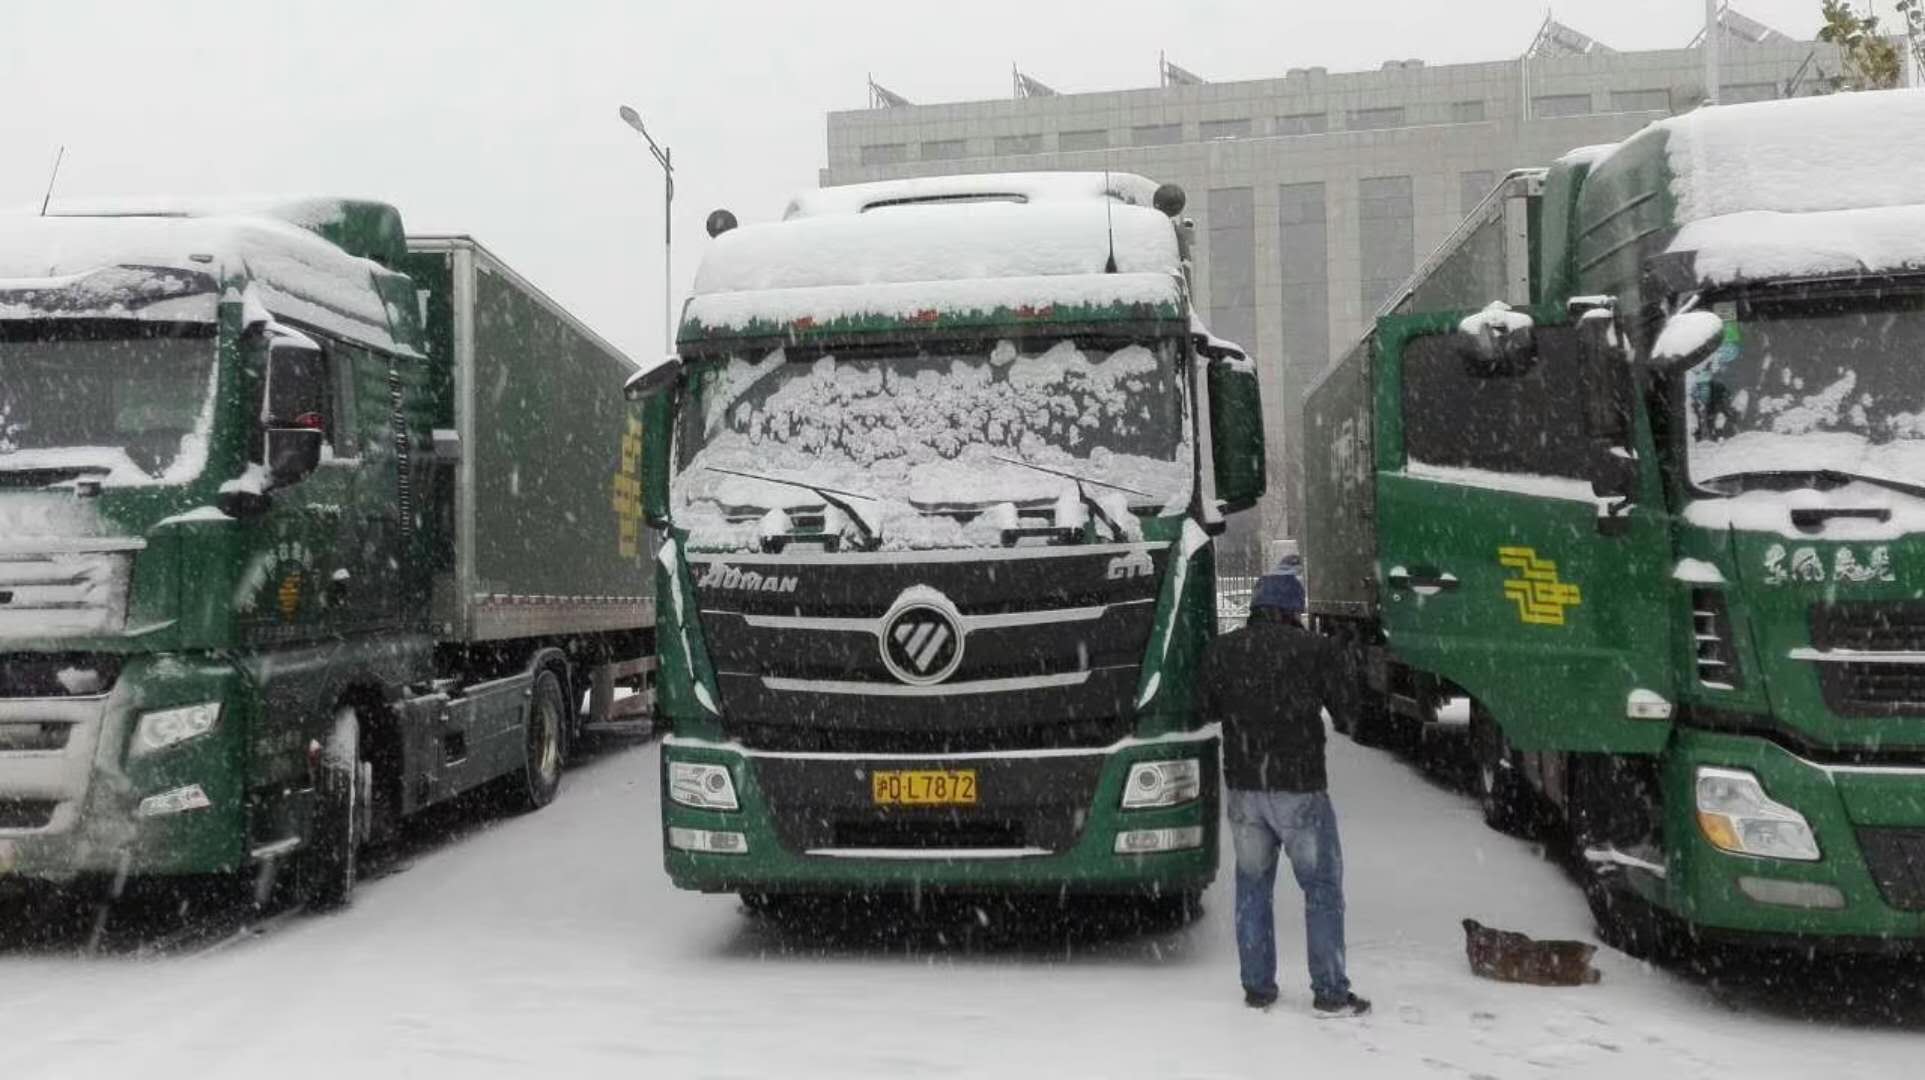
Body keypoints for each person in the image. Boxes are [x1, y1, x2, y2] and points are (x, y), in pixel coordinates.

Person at [1196, 563, 1370, 1017]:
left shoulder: (1222, 651)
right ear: (1294, 611)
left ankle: (1257, 987)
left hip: (1245, 789)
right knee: (1322, 890)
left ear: (1255, 608)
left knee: (1253, 888)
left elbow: (1206, 710)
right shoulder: (1315, 650)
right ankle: (1330, 992)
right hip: (1299, 788)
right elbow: (1349, 714)